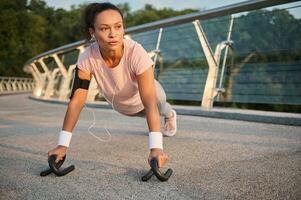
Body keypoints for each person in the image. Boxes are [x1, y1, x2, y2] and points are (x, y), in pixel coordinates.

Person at [48, 2, 177, 168]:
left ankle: (171, 114)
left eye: (118, 27)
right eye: (104, 28)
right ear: (92, 32)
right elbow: (76, 101)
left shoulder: (136, 52)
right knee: (144, 115)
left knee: (160, 106)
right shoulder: (87, 58)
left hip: (148, 97)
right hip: (123, 107)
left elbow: (149, 101)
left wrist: (156, 148)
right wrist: (62, 146)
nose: (113, 34)